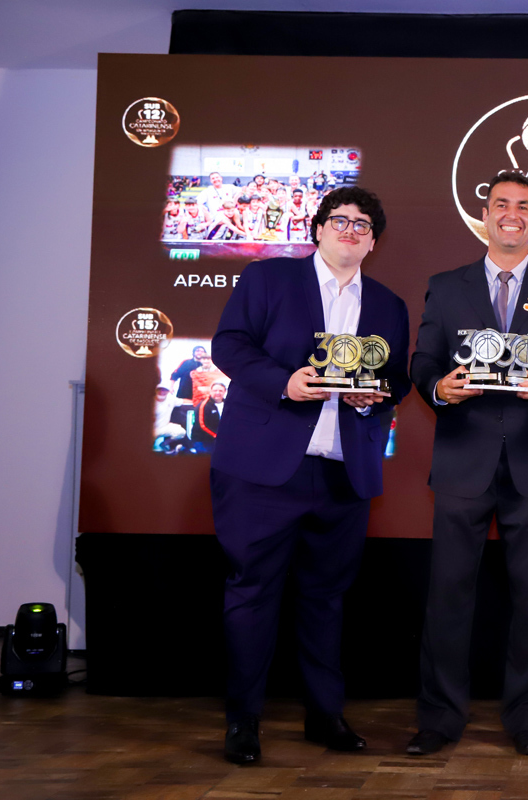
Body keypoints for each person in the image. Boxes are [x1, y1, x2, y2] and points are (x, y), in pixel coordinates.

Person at [208, 186, 411, 765]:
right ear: (318, 229)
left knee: (326, 600)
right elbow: (229, 346)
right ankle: (243, 721)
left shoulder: (389, 305)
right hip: (263, 471)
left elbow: (396, 378)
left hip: (344, 473)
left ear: (373, 242)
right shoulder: (268, 279)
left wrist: (375, 396)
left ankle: (325, 715)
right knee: (252, 594)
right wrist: (285, 382)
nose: (350, 230)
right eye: (339, 219)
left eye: (363, 224)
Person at [407, 172, 528, 758]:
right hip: (463, 457)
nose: (512, 213)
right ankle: (439, 717)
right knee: (448, 596)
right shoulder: (447, 286)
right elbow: (423, 362)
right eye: (500, 204)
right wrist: (439, 387)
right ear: (484, 216)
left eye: (523, 205)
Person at [190, 381, 227, 453]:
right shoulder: (203, 405)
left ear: (225, 392)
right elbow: (202, 425)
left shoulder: (228, 404)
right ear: (210, 391)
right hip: (203, 439)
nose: (218, 393)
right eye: (215, 390)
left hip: (222, 439)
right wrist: (217, 436)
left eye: (220, 391)